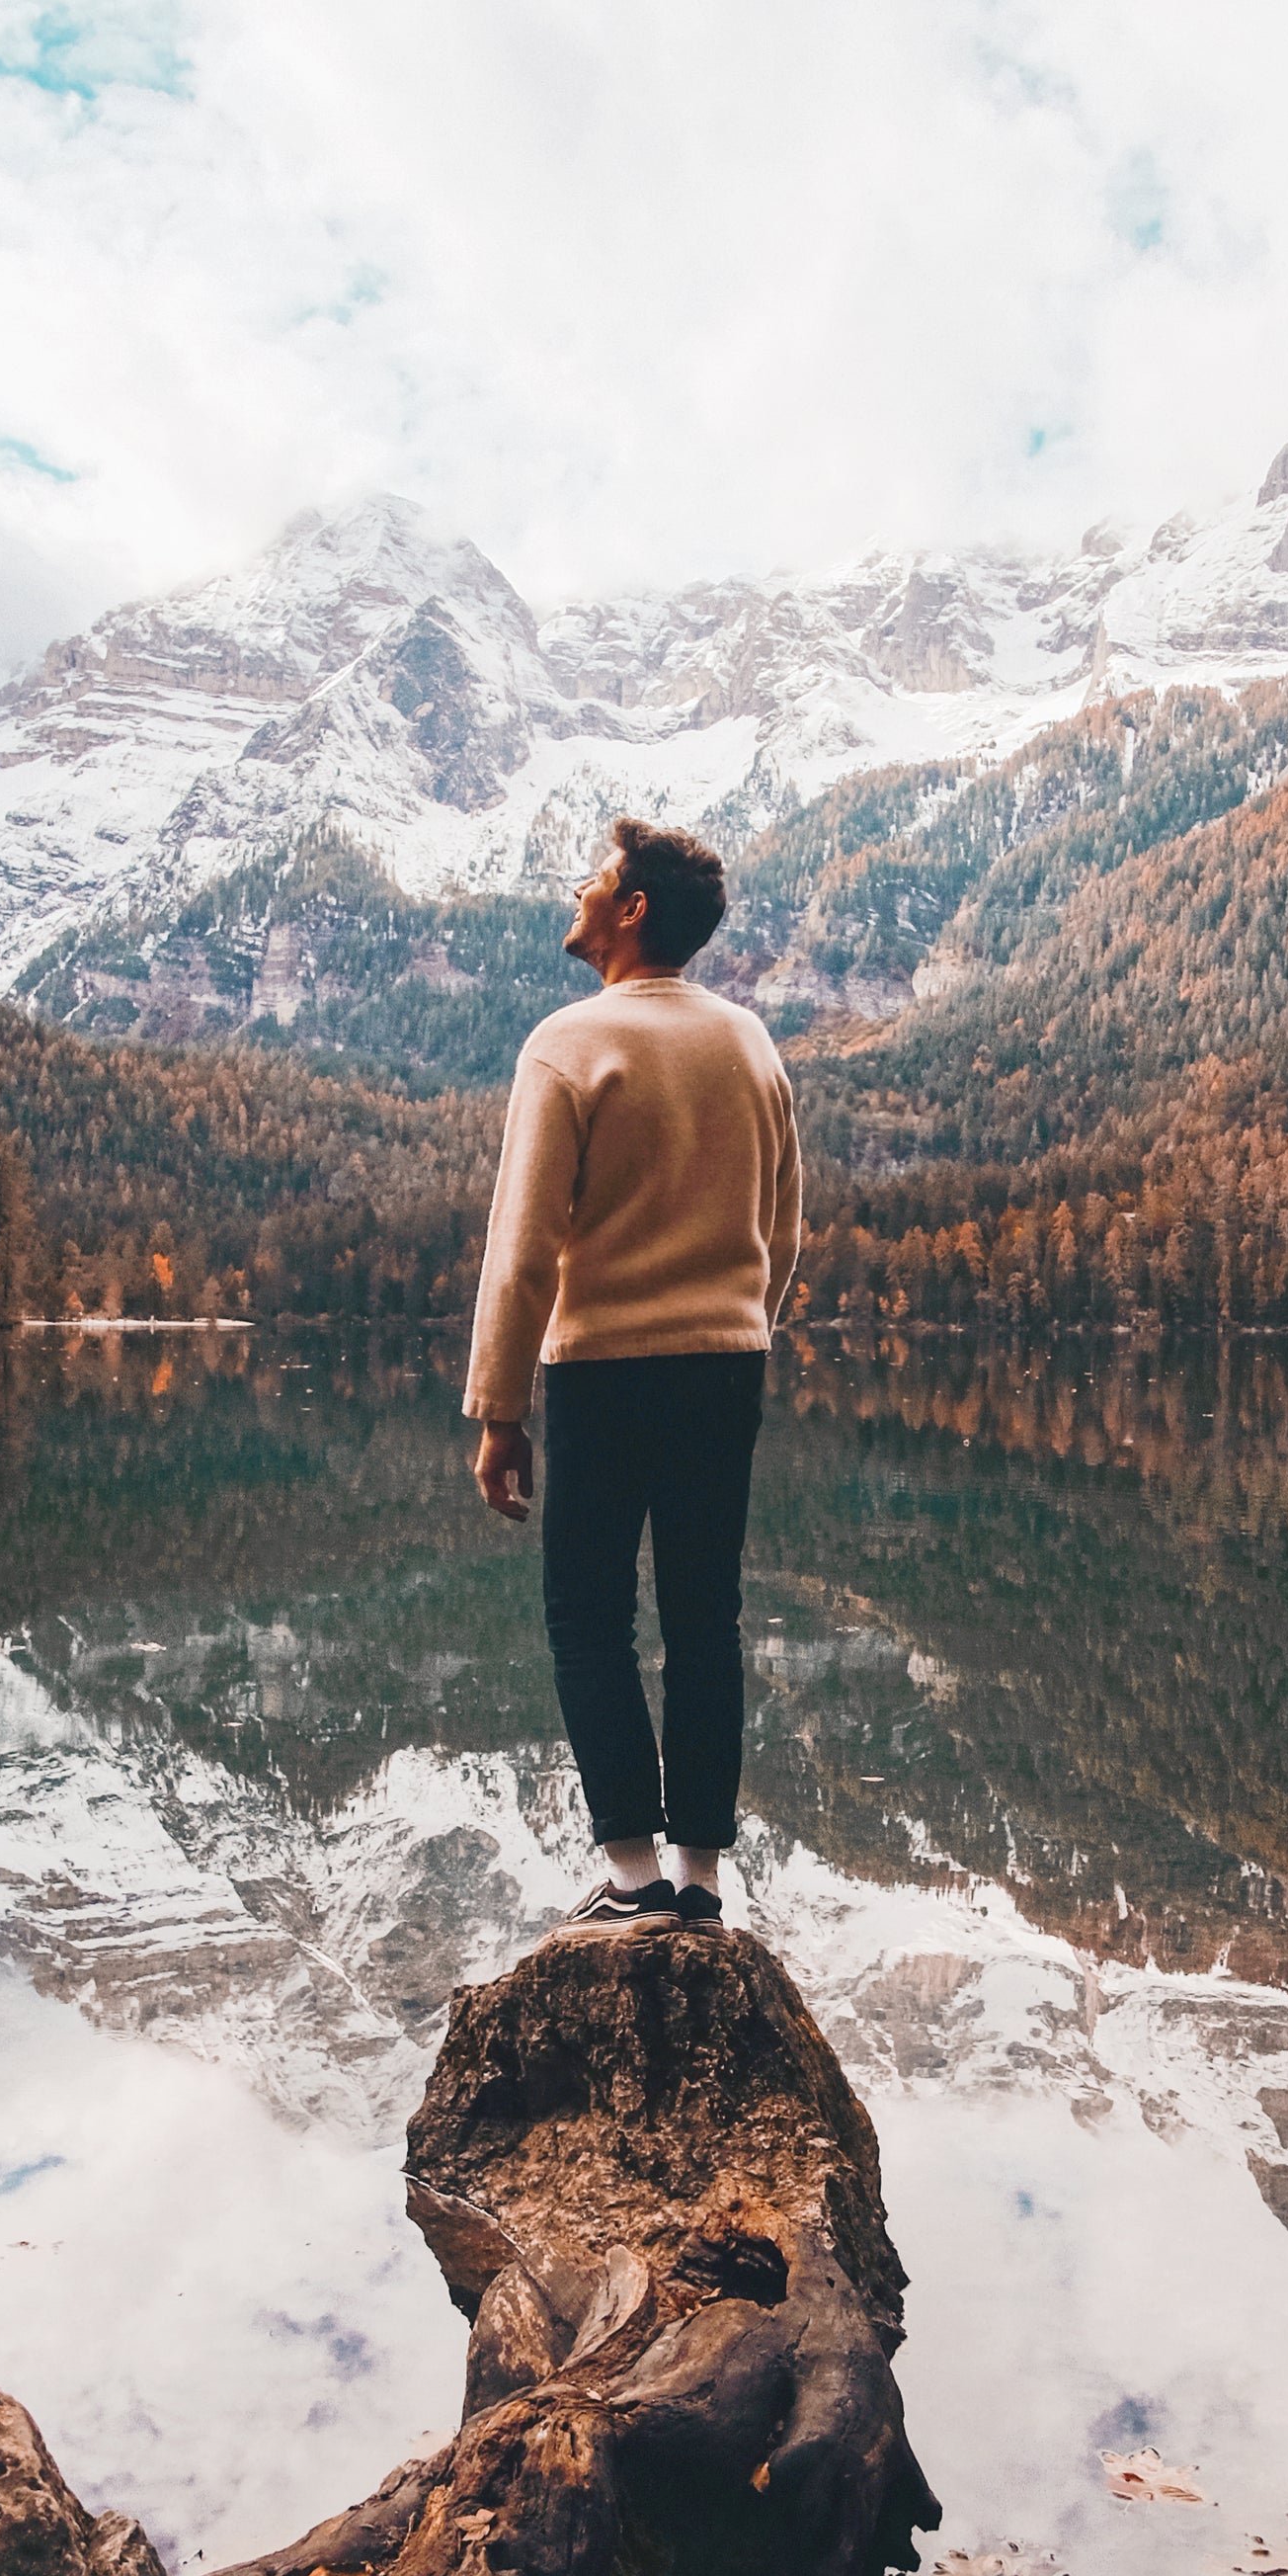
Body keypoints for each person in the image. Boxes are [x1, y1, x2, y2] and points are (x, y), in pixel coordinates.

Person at [463, 817, 801, 1937]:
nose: (580, 888)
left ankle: (631, 1875)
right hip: (725, 1367)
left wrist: (498, 1411)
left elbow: (522, 1250)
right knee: (706, 1616)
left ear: (633, 908)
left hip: (603, 1372)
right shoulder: (750, 1044)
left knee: (589, 1618)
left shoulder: (567, 1044)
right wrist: (743, 1322)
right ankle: (702, 1884)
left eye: (597, 879)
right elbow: (783, 1228)